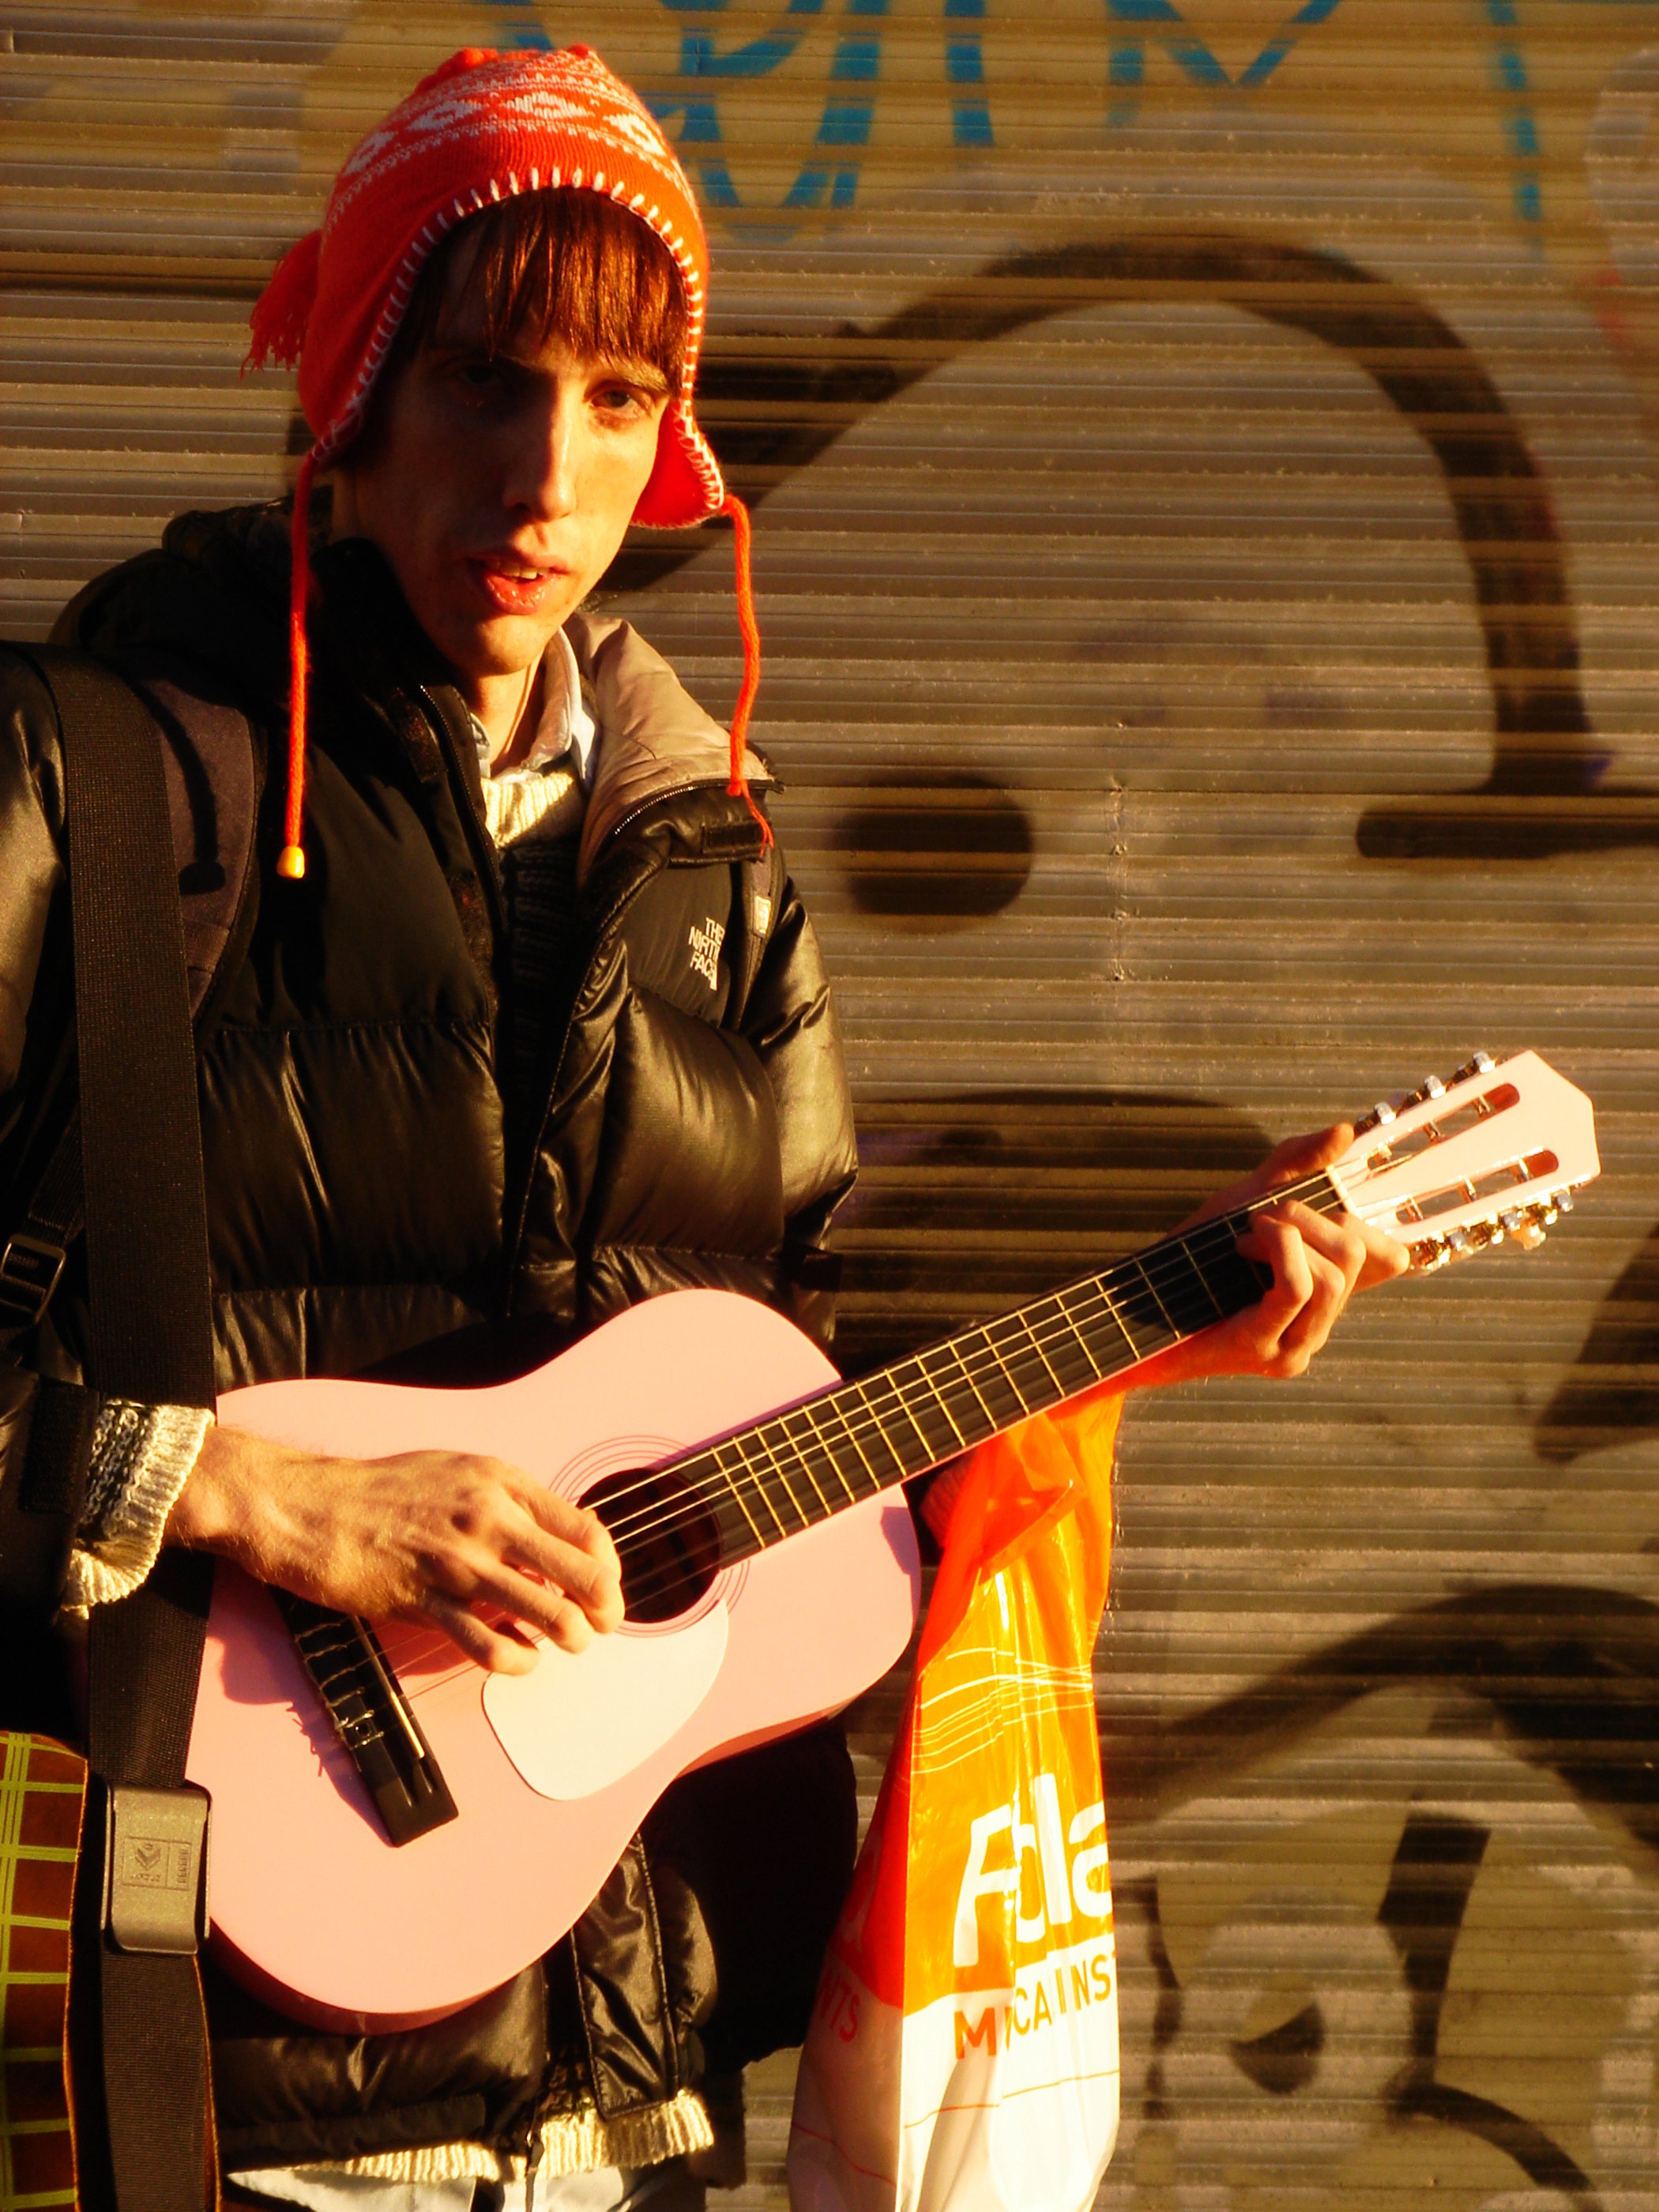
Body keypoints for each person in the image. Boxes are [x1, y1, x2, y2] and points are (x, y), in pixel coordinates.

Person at [0, 43, 1405, 2212]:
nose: (545, 479)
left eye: (616, 398)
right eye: (481, 382)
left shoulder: (708, 860)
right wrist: (253, 1494)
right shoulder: (94, 791)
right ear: (351, 392)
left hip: (624, 2097)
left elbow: (794, 1423)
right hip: (213, 2089)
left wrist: (1155, 1329)